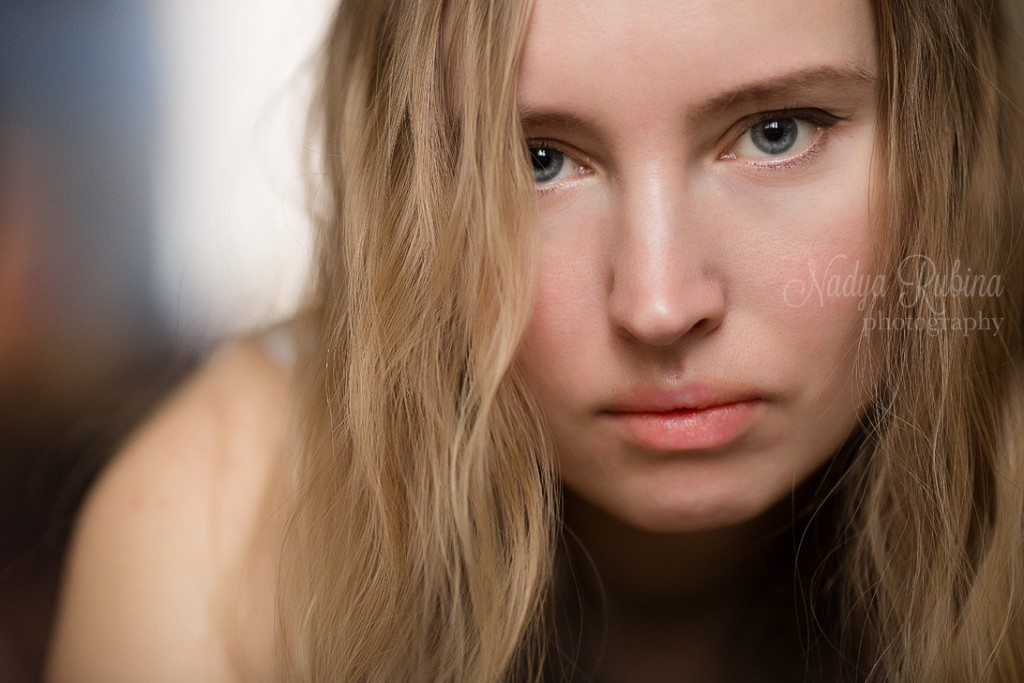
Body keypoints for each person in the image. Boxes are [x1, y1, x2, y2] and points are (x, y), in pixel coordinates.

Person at [45, 0, 1024, 680]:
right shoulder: (221, 540)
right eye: (537, 159)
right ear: (406, 189)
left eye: (776, 131)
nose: (657, 303)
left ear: (956, 140)